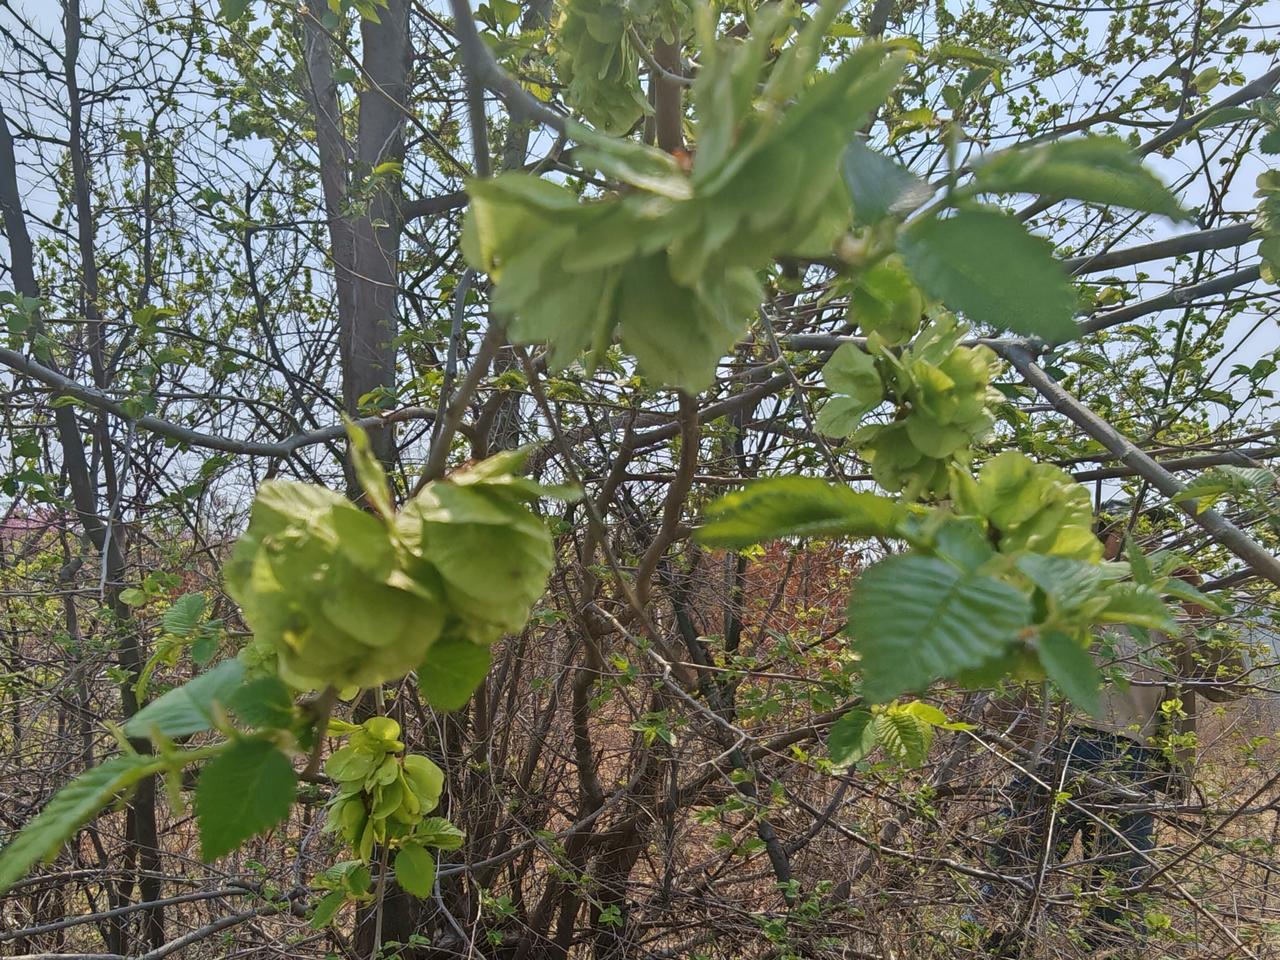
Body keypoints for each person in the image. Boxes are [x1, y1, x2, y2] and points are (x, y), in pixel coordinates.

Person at [974, 531, 1244, 955]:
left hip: (1135, 762)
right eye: (1121, 543)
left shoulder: (1171, 616)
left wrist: (1201, 608)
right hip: (1060, 745)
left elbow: (1230, 686)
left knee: (1118, 901)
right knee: (1014, 876)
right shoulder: (1070, 592)